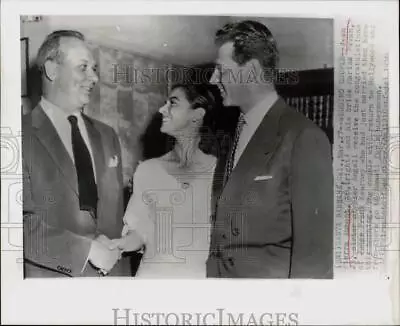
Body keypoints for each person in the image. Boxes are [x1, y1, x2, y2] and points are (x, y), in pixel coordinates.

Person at [207, 20, 334, 278]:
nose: (213, 79)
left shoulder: (304, 137)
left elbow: (313, 256)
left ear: (251, 70)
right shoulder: (236, 133)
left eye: (221, 70)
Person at [22, 30, 130, 277]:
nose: (93, 77)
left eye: (94, 69)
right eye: (83, 67)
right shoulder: (16, 135)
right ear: (52, 70)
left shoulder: (107, 136)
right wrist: (86, 250)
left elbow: (114, 217)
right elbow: (14, 225)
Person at [110, 83, 219, 278]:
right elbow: (139, 232)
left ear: (197, 115)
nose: (162, 109)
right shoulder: (147, 170)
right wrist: (120, 244)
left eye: (173, 103)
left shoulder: (219, 172)